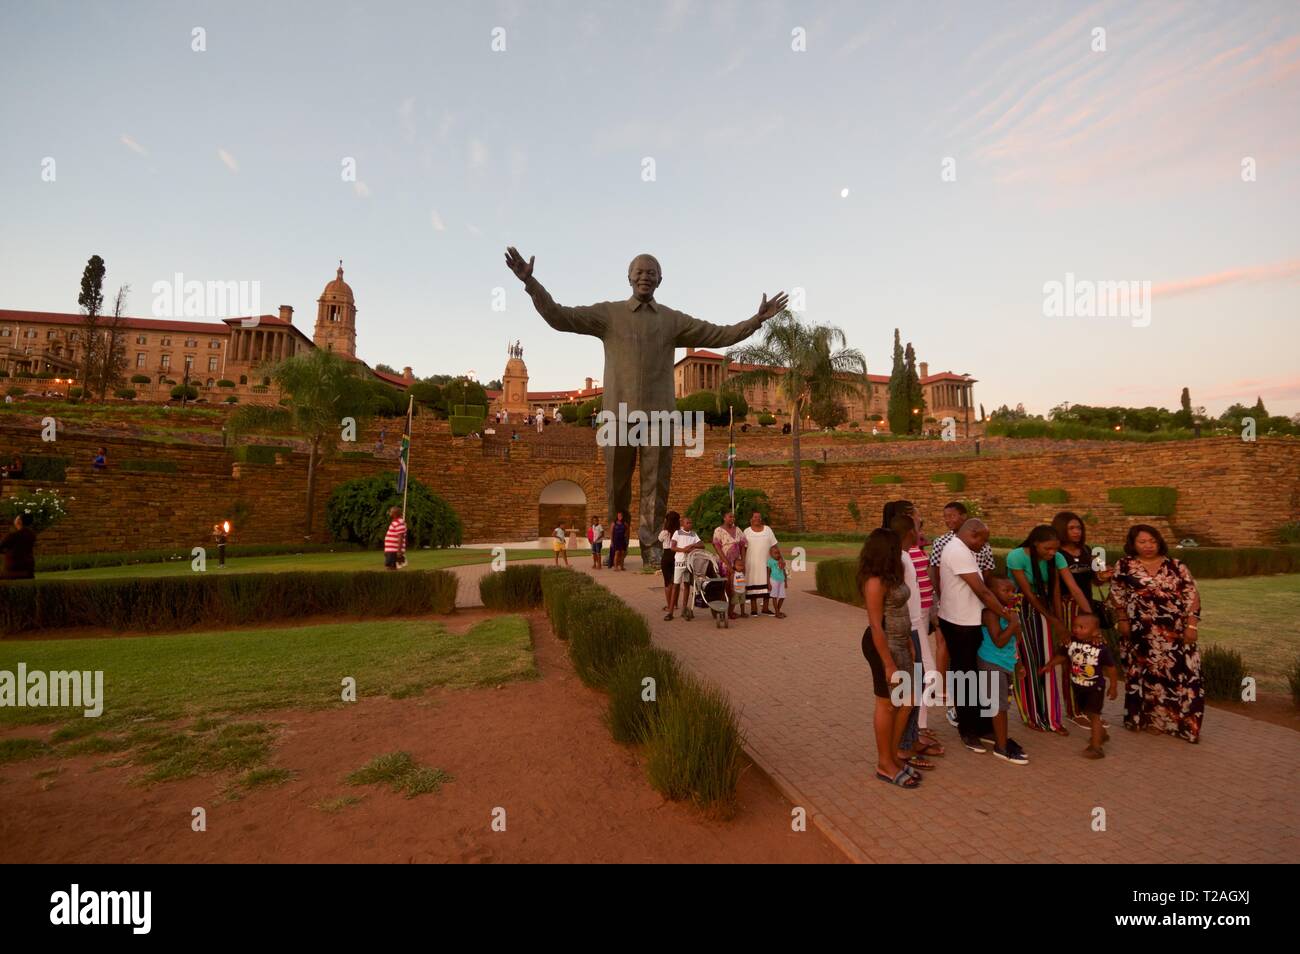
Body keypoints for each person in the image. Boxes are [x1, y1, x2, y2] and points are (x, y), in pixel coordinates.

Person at [505, 246, 784, 565]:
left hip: (660, 416)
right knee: (616, 485)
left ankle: (651, 545)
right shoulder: (608, 314)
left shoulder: (672, 320)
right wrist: (531, 283)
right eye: (638, 272)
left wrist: (755, 320)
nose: (644, 277)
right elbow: (559, 316)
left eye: (651, 272)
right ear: (628, 277)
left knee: (656, 484)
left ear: (660, 279)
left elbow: (719, 334)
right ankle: (616, 542)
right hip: (618, 416)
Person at [1106, 525, 1204, 742]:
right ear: (1133, 544)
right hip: (1140, 631)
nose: (1148, 546)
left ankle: (1179, 723)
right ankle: (1151, 720)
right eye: (1142, 542)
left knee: (1181, 676)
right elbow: (1117, 594)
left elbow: (1192, 595)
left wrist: (1192, 625)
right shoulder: (1125, 565)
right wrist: (1122, 619)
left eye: (1152, 541)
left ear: (1159, 542)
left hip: (1174, 632)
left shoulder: (1176, 566)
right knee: (1147, 676)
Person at [937, 518, 1020, 753]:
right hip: (959, 623)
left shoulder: (962, 549)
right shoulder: (958, 550)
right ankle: (968, 730)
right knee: (964, 678)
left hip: (965, 620)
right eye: (982, 539)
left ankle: (982, 725)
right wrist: (1005, 613)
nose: (984, 545)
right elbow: (982, 590)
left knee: (975, 675)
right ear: (972, 534)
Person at [1007, 525, 1092, 734]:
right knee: (1026, 661)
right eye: (1047, 549)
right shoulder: (1016, 556)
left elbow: (1063, 588)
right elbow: (1027, 593)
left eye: (1055, 549)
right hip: (1021, 609)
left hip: (1045, 607)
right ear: (1035, 543)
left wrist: (1088, 618)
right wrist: (1054, 621)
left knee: (1047, 661)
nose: (1052, 553)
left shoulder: (1057, 558)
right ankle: (1031, 714)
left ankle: (1052, 717)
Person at [858, 528, 919, 789]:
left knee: (908, 702)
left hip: (901, 642)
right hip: (882, 647)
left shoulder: (893, 575)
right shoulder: (874, 581)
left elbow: (901, 610)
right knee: (887, 705)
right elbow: (875, 625)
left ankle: (893, 756)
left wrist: (908, 642)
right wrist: (889, 663)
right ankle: (885, 764)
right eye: (896, 547)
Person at [889, 513, 944, 771]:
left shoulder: (907, 554)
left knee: (920, 683)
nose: (920, 529)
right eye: (917, 525)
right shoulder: (901, 557)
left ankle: (910, 738)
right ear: (909, 531)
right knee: (914, 687)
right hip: (909, 628)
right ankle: (903, 745)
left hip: (915, 623)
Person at [1052, 510, 1114, 728]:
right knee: (1072, 659)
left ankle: (1091, 710)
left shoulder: (1088, 551)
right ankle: (1074, 710)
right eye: (1071, 528)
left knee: (1090, 660)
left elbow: (1096, 581)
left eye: (1079, 527)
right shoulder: (1057, 554)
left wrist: (1103, 576)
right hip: (1070, 611)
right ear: (1061, 529)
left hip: (1087, 609)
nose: (1077, 532)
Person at [1042, 613, 1118, 758]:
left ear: (1095, 631)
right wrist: (1050, 665)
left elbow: (1111, 668)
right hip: (1078, 686)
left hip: (1095, 688)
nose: (1076, 630)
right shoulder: (1071, 642)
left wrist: (1113, 686)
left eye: (1082, 627)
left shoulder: (1100, 647)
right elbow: (1062, 655)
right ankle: (1102, 734)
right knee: (1088, 712)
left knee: (1094, 716)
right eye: (1075, 626)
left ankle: (1096, 747)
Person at [977, 577, 1029, 764]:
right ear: (991, 594)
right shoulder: (991, 613)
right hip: (992, 662)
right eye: (1005, 591)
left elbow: (1014, 643)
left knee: (999, 704)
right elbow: (999, 641)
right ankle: (1001, 747)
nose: (1011, 594)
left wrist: (1019, 663)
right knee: (999, 706)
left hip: (1005, 663)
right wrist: (1014, 624)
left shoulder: (1009, 613)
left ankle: (994, 735)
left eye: (1012, 591)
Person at [742, 510, 779, 616]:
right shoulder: (746, 531)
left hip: (766, 563)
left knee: (768, 584)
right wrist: (743, 561)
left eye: (759, 517)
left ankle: (765, 608)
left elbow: (774, 545)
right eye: (755, 517)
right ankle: (754, 609)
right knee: (752, 584)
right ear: (751, 519)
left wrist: (780, 558)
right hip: (751, 563)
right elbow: (743, 548)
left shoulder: (768, 530)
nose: (757, 519)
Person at [711, 510, 745, 621]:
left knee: (734, 589)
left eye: (733, 517)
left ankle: (731, 611)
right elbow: (717, 548)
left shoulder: (738, 530)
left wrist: (743, 562)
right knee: (725, 588)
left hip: (736, 565)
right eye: (730, 517)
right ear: (724, 518)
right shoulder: (718, 530)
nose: (732, 519)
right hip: (724, 565)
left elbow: (743, 546)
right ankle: (721, 610)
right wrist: (727, 564)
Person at [669, 515, 703, 621]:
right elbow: (672, 547)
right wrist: (684, 550)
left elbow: (702, 545)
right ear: (682, 524)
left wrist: (692, 546)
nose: (690, 524)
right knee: (676, 585)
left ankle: (684, 609)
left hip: (689, 563)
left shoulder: (693, 534)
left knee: (687, 585)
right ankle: (670, 612)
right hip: (679, 562)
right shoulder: (677, 533)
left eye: (691, 523)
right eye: (688, 523)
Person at [0, 513, 37, 580]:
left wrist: (6, 551)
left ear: (19, 521)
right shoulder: (31, 534)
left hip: (13, 568)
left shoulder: (13, 535)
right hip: (28, 567)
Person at [658, 511, 681, 614]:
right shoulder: (680, 532)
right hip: (676, 556)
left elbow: (659, 539)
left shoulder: (665, 532)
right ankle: (675, 604)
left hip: (667, 556)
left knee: (668, 582)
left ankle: (669, 606)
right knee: (676, 581)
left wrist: (665, 527)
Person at [766, 546, 787, 618]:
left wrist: (785, 581)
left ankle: (777, 611)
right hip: (774, 580)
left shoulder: (781, 561)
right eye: (775, 553)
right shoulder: (770, 561)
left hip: (781, 580)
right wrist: (768, 583)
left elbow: (783, 571)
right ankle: (777, 612)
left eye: (778, 553)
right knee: (774, 596)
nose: (777, 554)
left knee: (782, 597)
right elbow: (768, 572)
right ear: (771, 554)